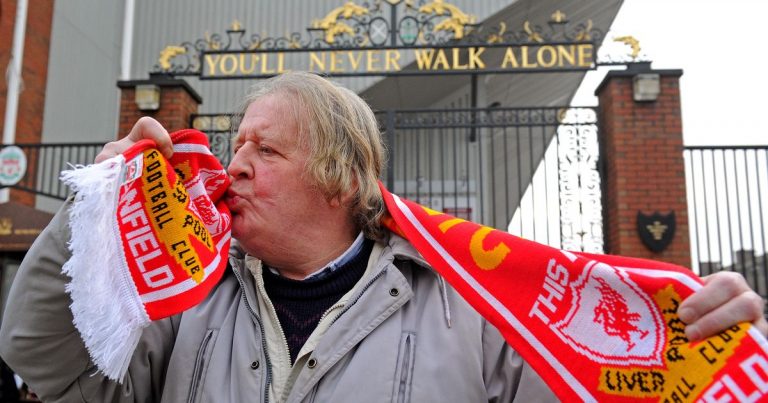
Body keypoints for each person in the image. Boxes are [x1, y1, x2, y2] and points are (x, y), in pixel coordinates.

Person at [0, 71, 766, 402]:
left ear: (340, 177)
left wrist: (703, 344)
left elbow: (606, 382)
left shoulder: (473, 312)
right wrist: (95, 211)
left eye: (264, 150)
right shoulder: (183, 300)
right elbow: (39, 358)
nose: (232, 168)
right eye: (235, 147)